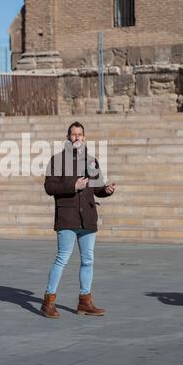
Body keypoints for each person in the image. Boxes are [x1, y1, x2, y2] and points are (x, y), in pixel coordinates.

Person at [40, 121, 116, 318]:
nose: (76, 137)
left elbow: (96, 189)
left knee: (88, 260)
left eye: (80, 134)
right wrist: (73, 186)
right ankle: (48, 301)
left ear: (84, 137)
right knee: (62, 258)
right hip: (67, 217)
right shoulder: (57, 160)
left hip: (87, 218)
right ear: (68, 138)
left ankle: (85, 301)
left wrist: (106, 190)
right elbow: (49, 187)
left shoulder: (91, 161)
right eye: (73, 134)